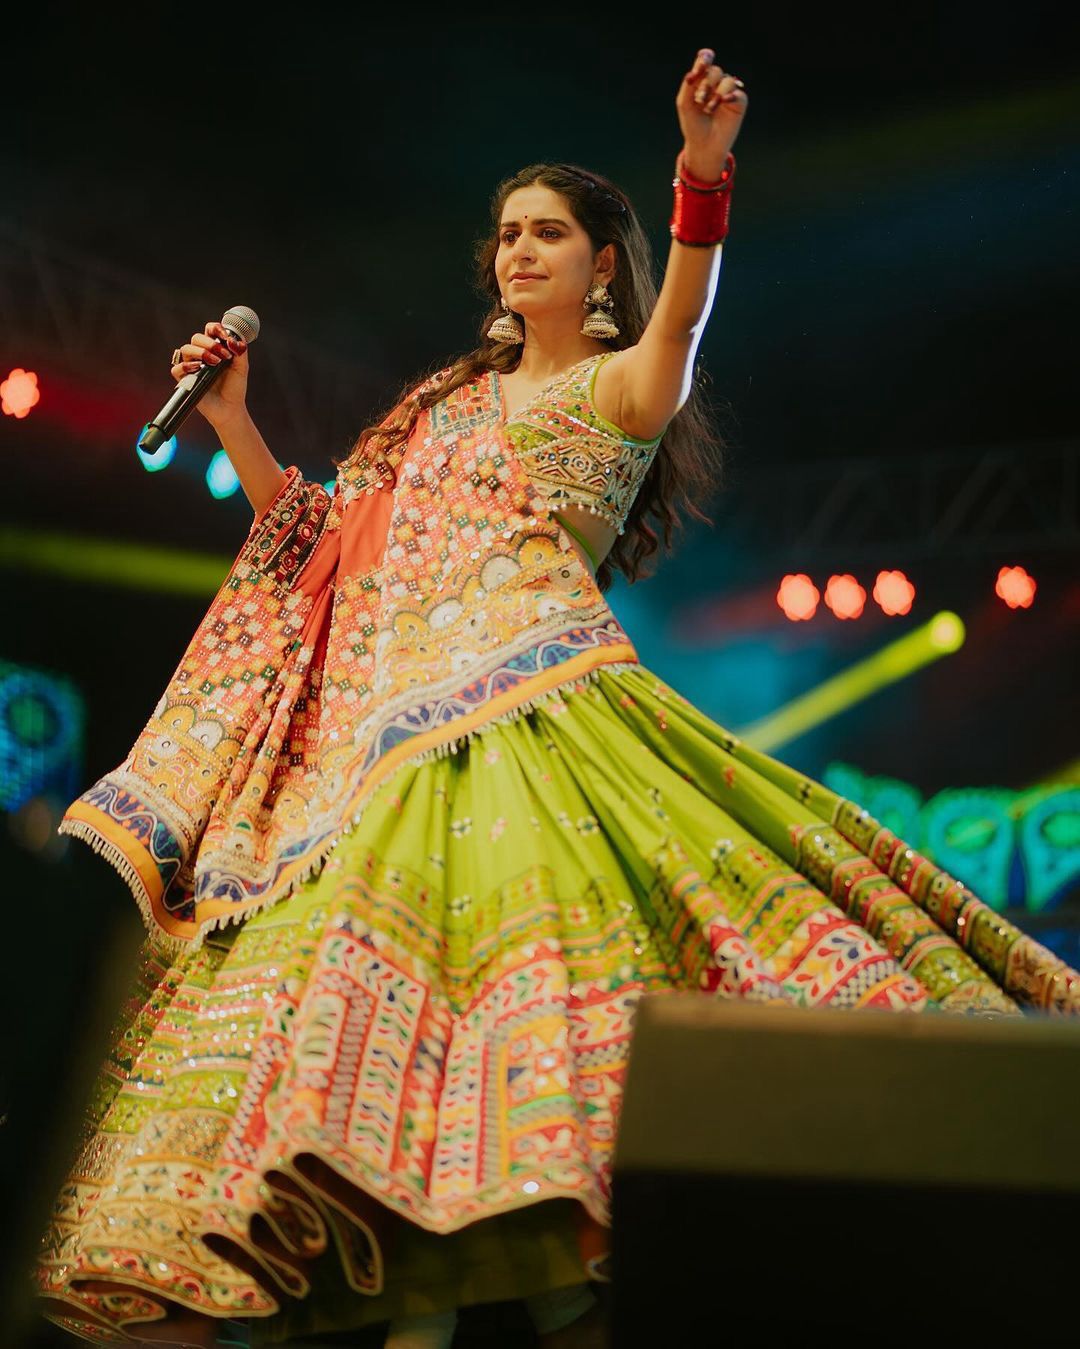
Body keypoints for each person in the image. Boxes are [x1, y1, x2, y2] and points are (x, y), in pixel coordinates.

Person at [35, 46, 1080, 1349]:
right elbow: (322, 559)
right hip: (384, 763)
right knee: (357, 1081)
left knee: (574, 1039)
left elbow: (687, 316)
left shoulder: (619, 386)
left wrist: (701, 178)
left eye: (546, 233)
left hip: (541, 722)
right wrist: (238, 423)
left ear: (601, 265)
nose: (515, 252)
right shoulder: (437, 410)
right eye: (504, 235)